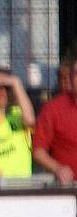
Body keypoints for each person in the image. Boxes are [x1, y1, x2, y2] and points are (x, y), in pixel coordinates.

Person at [33, 57, 77, 185]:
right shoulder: (53, 108)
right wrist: (57, 168)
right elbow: (38, 151)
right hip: (68, 188)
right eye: (76, 74)